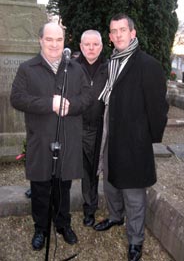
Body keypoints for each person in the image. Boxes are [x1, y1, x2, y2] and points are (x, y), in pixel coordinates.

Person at [93, 13, 169, 261]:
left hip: (134, 140)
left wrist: (147, 138)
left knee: (134, 193)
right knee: (110, 182)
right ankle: (115, 217)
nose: (117, 35)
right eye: (113, 31)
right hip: (110, 133)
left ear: (132, 33)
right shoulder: (110, 63)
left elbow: (159, 109)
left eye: (122, 30)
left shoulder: (148, 65)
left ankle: (135, 240)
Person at [10, 22, 92, 251]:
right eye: (49, 39)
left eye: (59, 40)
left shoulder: (75, 69)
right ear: (40, 40)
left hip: (68, 139)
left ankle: (62, 224)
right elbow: (17, 98)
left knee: (63, 186)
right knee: (40, 186)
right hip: (40, 139)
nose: (55, 44)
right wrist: (49, 103)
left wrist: (71, 105)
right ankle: (41, 228)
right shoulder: (28, 68)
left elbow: (87, 97)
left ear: (64, 42)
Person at [75, 30, 108, 226]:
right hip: (73, 125)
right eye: (87, 44)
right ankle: (57, 208)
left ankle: (89, 208)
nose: (91, 48)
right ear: (81, 46)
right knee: (63, 167)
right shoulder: (70, 67)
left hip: (95, 128)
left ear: (101, 46)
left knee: (90, 170)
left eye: (95, 44)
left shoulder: (108, 69)